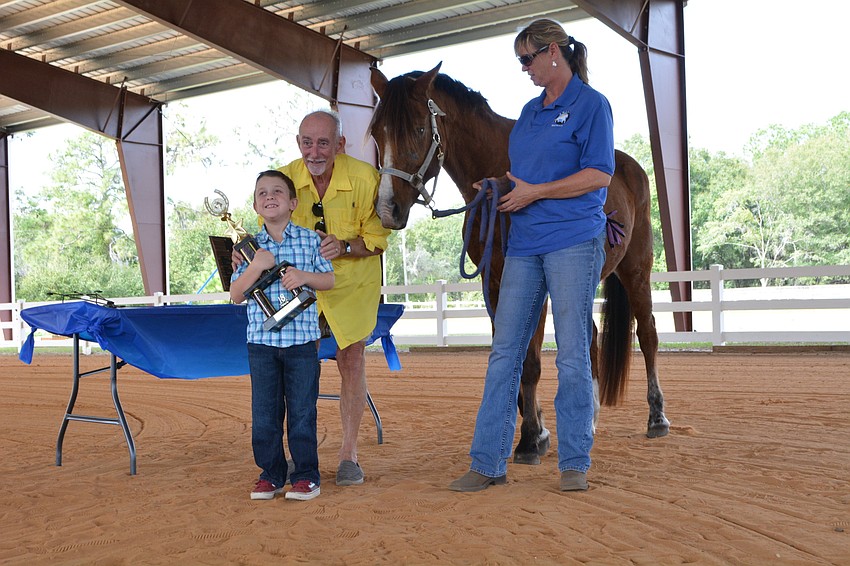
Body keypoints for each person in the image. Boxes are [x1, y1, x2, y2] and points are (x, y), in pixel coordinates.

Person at [449, 19, 614, 493]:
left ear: (554, 52)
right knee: (505, 351)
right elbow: (521, 174)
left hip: (573, 241)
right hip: (524, 244)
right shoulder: (528, 111)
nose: (524, 68)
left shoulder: (591, 105)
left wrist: (536, 192)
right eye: (520, 60)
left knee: (572, 354)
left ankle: (575, 462)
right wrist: (498, 186)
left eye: (528, 58)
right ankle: (487, 462)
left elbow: (599, 174)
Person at [237, 109, 390, 486]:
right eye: (307, 142)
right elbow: (266, 223)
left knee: (350, 357)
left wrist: (348, 245)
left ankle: (348, 455)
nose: (314, 151)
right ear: (298, 144)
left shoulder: (367, 178)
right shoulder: (285, 177)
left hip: (352, 281)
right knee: (293, 363)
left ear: (340, 144)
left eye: (324, 142)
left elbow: (379, 238)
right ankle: (291, 459)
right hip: (296, 285)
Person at [231, 170, 334, 501]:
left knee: (303, 411)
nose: (269, 196)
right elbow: (236, 294)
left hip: (301, 344)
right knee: (264, 414)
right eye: (262, 193)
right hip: (261, 345)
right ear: (255, 205)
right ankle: (271, 474)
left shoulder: (309, 240)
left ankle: (306, 476)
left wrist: (304, 276)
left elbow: (329, 281)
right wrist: (255, 266)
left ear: (293, 203)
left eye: (277, 191)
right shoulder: (247, 250)